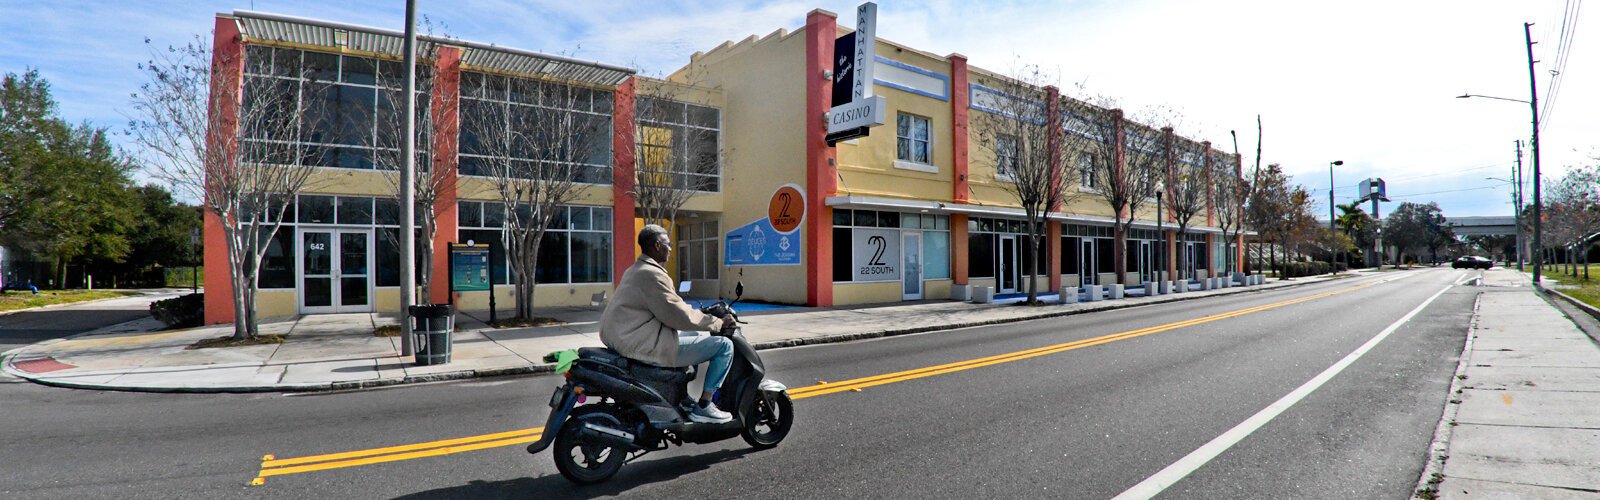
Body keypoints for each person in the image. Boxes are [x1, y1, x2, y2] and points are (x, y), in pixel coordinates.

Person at [599, 225, 736, 424]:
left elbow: (669, 304)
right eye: (668, 244)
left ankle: (681, 396)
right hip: (640, 343)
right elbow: (678, 315)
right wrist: (716, 323)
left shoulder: (636, 269)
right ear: (657, 246)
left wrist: (699, 314)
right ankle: (705, 406)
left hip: (628, 337)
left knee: (693, 337)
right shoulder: (653, 274)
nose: (671, 249)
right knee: (724, 346)